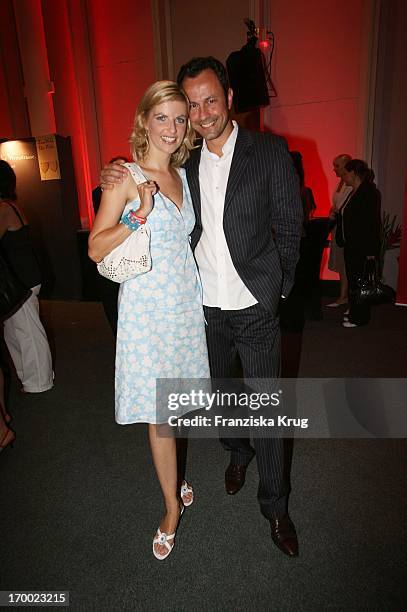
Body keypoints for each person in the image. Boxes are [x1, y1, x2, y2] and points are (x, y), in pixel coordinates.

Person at [101, 57, 303, 557]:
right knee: (220, 396)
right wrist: (116, 172)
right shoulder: (182, 160)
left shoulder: (270, 151)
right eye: (192, 104)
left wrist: (277, 289)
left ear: (230, 98)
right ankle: (236, 454)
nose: (203, 112)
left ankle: (276, 506)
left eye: (211, 99)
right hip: (201, 310)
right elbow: (140, 174)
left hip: (254, 304)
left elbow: (291, 225)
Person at [89, 80, 210, 560]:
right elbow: (97, 247)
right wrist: (140, 213)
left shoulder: (185, 175)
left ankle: (175, 480)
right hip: (146, 314)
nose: (173, 127)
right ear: (144, 121)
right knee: (160, 418)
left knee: (176, 404)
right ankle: (170, 510)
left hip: (183, 306)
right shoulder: (123, 177)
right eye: (163, 117)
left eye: (180, 119)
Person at [0, 161, 54, 393]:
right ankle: (28, 377)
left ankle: (39, 382)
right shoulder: (9, 205)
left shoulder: (3, 207)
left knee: (27, 331)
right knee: (14, 331)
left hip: (21, 280)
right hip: (20, 278)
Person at [336, 159, 381, 327]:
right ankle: (355, 313)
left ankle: (360, 318)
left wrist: (371, 250)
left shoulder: (369, 192)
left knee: (360, 283)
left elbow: (372, 223)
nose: (343, 177)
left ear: (354, 173)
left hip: (361, 246)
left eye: (346, 173)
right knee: (355, 281)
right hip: (351, 245)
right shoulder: (354, 191)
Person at [91, 156, 129, 335]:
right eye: (118, 166)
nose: (121, 170)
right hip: (110, 253)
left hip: (126, 253)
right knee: (112, 306)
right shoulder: (101, 191)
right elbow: (96, 249)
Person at [326, 154, 352, 308]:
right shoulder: (341, 183)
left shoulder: (350, 184)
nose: (334, 169)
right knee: (341, 263)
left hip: (344, 228)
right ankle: (343, 296)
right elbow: (336, 204)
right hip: (338, 226)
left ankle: (344, 296)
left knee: (344, 263)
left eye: (337, 166)